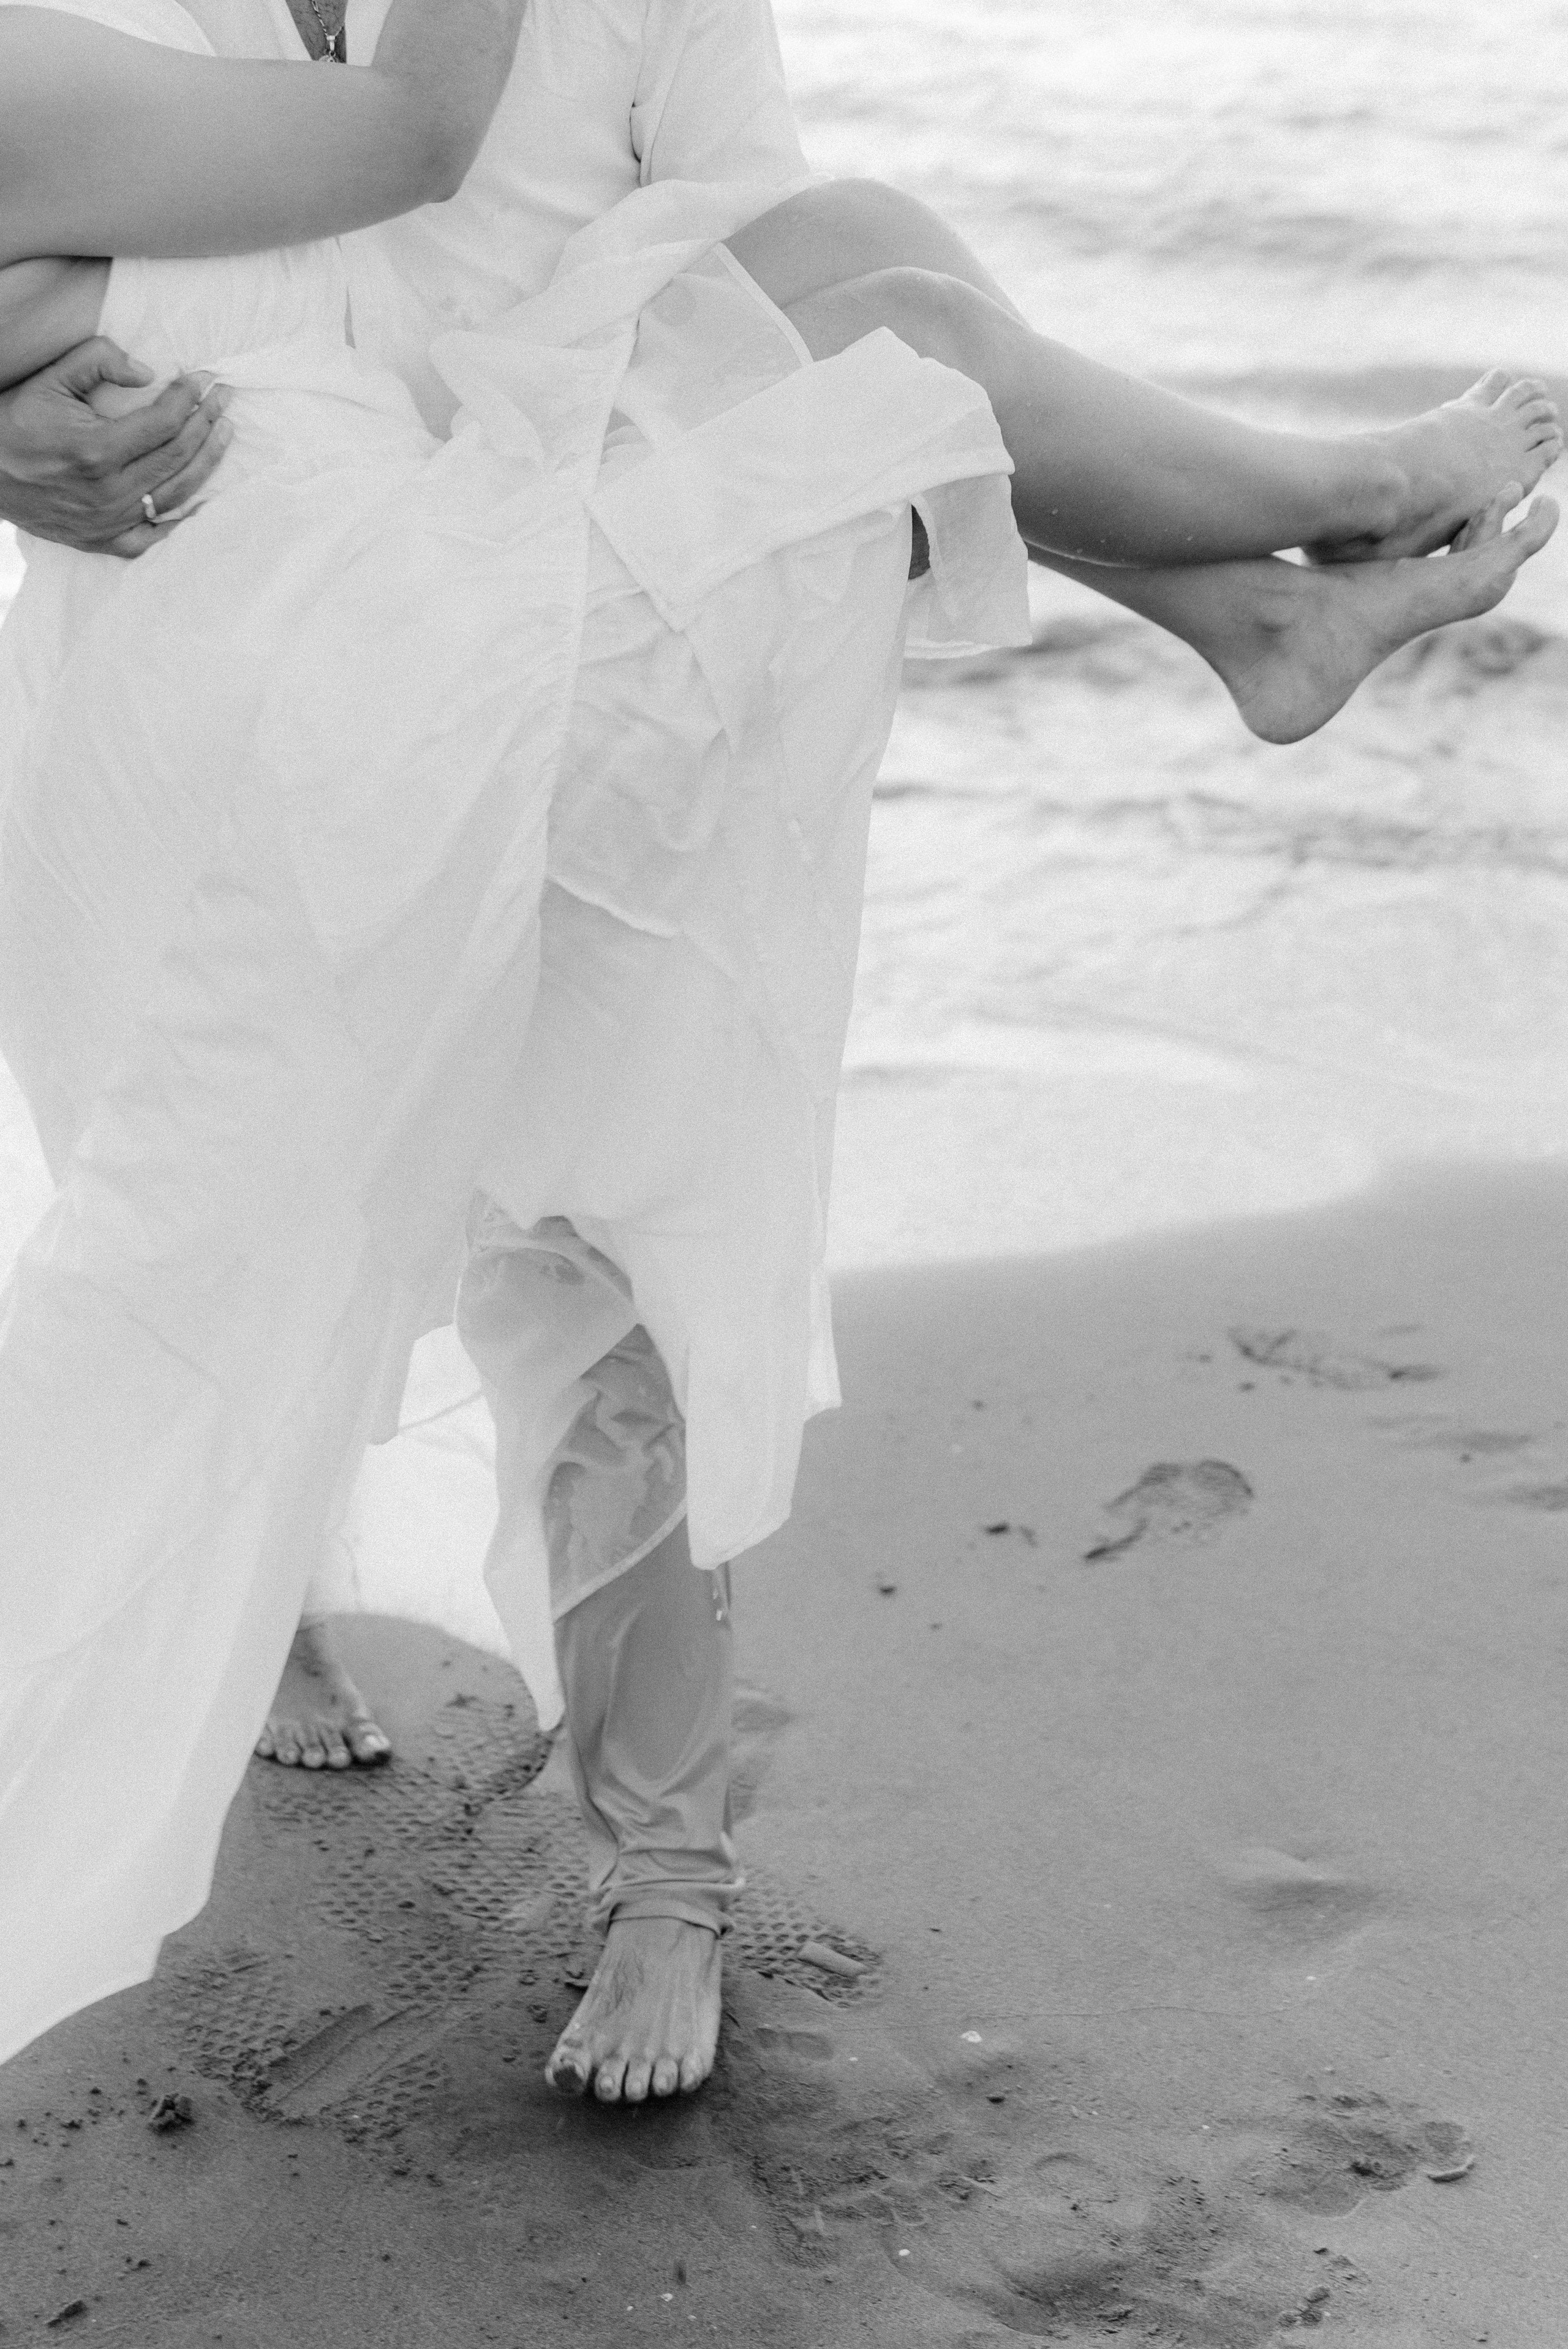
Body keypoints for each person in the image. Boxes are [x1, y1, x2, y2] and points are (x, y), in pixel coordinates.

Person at [0, 0, 1558, 2111]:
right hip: (264, 644)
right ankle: (1282, 577)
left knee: (604, 1213)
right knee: (232, 1203)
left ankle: (666, 1879)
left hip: (593, 583)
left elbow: (754, 241)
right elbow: (380, 146)